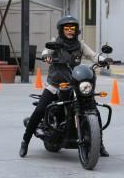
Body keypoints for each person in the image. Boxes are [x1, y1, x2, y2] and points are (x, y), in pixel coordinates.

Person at [19, 15, 110, 158]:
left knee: (94, 110)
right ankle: (25, 141)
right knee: (40, 110)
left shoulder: (79, 45)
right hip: (55, 85)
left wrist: (103, 59)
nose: (69, 31)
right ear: (61, 30)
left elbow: (93, 55)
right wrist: (46, 56)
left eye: (72, 28)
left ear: (76, 30)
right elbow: (46, 51)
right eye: (66, 28)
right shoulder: (56, 42)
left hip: (75, 85)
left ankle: (99, 145)